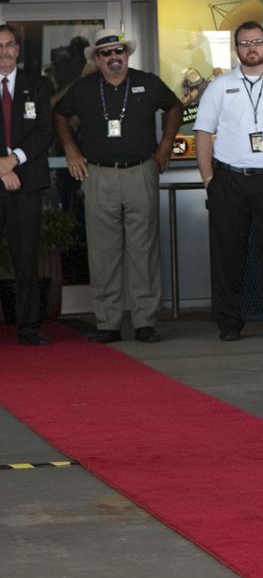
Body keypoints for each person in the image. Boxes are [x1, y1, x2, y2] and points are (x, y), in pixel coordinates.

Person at [54, 29, 182, 343]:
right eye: (107, 53)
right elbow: (59, 113)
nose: (114, 58)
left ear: (127, 55)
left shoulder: (147, 83)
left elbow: (176, 106)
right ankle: (107, 323)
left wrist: (165, 144)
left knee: (144, 250)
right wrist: (71, 149)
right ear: (97, 59)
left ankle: (145, 322)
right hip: (99, 176)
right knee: (103, 251)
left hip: (141, 172)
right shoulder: (83, 88)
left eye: (119, 51)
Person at [194, 22, 263, 342]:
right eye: (244, 43)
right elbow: (203, 133)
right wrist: (209, 178)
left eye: (257, 42)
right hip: (230, 179)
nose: (251, 48)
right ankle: (228, 323)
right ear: (235, 49)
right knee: (227, 254)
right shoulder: (219, 86)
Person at [0, 24, 53, 345]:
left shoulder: (38, 85)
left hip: (27, 183)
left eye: (8, 45)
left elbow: (45, 130)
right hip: (4, 175)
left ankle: (28, 327)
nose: (3, 52)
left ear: (18, 50)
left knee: (26, 255)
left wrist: (14, 159)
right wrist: (1, 167)